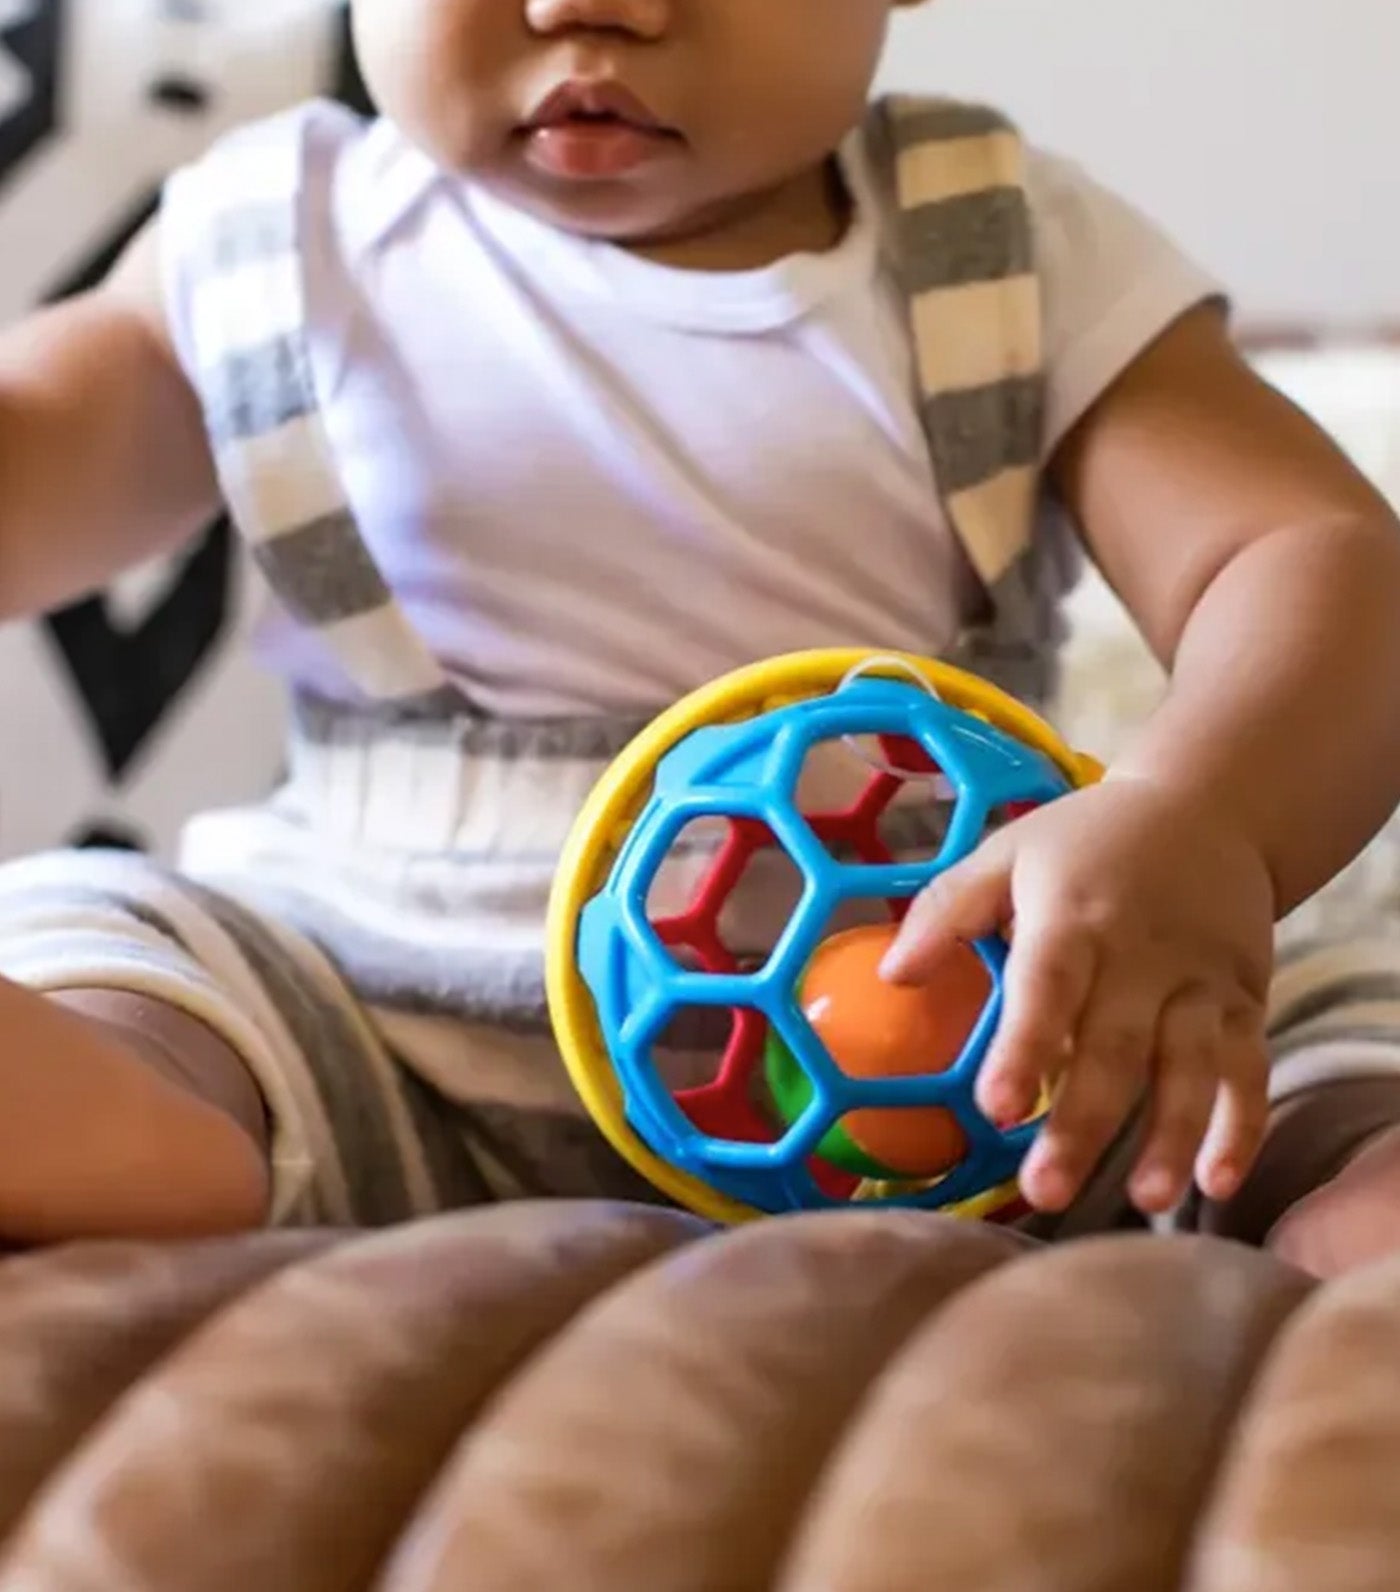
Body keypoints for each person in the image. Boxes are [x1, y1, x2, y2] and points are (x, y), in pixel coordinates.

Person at [0, 0, 1396, 1272]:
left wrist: (1204, 817)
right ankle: (134, 1115)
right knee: (110, 928)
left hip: (955, 1049)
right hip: (357, 1008)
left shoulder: (1001, 247)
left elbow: (1304, 553)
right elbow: (36, 454)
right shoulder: (271, 246)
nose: (586, 7)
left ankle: (1347, 1177)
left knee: (1278, 1009)